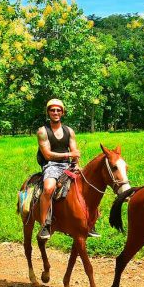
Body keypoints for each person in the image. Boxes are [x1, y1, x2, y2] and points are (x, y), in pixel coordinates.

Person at [36, 99, 99, 240]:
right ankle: (45, 224)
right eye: (52, 110)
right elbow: (47, 154)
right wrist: (69, 155)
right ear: (48, 112)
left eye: (58, 110)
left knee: (89, 184)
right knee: (48, 188)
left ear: (63, 112)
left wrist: (75, 162)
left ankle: (91, 221)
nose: (55, 112)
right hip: (51, 165)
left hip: (67, 165)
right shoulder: (42, 131)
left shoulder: (69, 131)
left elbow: (74, 150)